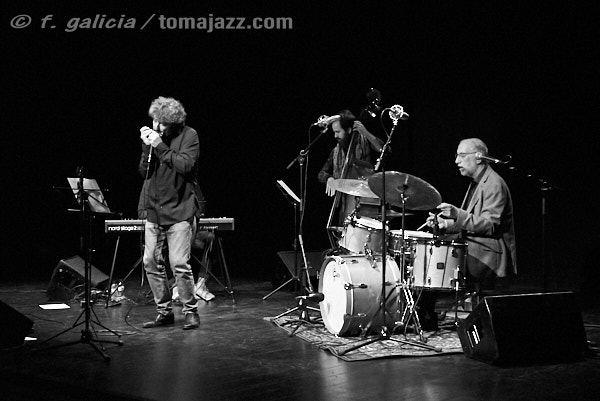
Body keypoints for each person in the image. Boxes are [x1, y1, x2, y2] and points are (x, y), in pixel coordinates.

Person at [138, 96, 203, 330]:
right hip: (154, 210)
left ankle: (190, 311)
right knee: (150, 262)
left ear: (174, 123)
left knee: (179, 263)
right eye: (155, 121)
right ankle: (164, 311)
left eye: (163, 123)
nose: (158, 127)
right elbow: (143, 171)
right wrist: (147, 146)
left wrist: (159, 146)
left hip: (179, 210)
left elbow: (185, 166)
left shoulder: (189, 136)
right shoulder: (154, 141)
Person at [427, 137, 517, 305]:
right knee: (432, 252)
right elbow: (470, 222)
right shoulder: (477, 182)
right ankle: (428, 311)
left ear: (479, 157)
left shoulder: (494, 184)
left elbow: (489, 225)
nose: (457, 161)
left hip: (488, 254)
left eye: (462, 155)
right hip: (476, 248)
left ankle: (429, 311)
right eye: (456, 156)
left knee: (436, 257)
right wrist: (445, 224)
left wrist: (457, 213)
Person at [317, 110, 384, 226]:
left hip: (364, 202)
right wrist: (329, 178)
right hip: (344, 205)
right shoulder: (336, 151)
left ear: (348, 130)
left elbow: (383, 149)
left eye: (338, 132)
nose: (335, 136)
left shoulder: (364, 142)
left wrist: (365, 132)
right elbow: (321, 173)